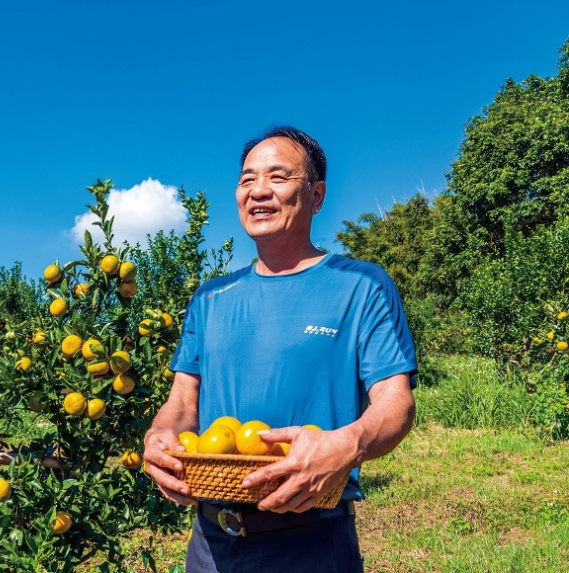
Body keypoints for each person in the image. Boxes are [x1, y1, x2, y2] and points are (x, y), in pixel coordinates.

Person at [142, 126, 418, 572]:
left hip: (310, 541)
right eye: (247, 179)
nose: (259, 191)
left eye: (278, 176)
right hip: (211, 543)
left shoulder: (361, 286)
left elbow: (396, 401)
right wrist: (158, 436)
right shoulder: (209, 298)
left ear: (316, 194)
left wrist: (348, 443)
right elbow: (182, 401)